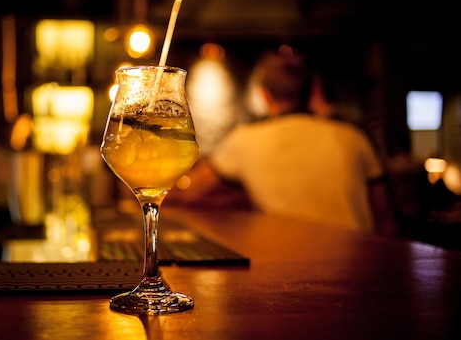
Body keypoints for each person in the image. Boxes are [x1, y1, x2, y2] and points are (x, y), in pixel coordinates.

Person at [169, 44, 400, 237]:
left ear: (264, 94)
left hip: (288, 269)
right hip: (362, 267)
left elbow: (191, 194)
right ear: (310, 91)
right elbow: (387, 222)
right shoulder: (353, 137)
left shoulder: (245, 140)